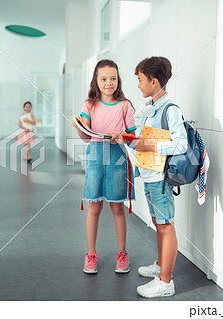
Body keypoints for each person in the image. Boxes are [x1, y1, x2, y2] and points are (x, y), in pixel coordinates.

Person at [126, 57, 187, 298]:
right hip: (150, 177)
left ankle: (166, 282)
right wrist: (126, 139)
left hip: (161, 178)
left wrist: (148, 146)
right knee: (158, 225)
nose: (139, 86)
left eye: (141, 81)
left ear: (154, 81)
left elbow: (180, 144)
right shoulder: (151, 109)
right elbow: (142, 144)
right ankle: (161, 265)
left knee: (165, 226)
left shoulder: (170, 110)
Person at [74, 59, 137, 274]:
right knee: (94, 207)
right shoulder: (88, 105)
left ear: (118, 80)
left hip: (117, 158)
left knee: (117, 207)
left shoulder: (125, 105)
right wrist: (79, 127)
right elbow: (85, 138)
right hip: (95, 158)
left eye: (113, 78)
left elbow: (132, 138)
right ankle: (90, 254)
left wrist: (120, 137)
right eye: (103, 79)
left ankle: (122, 254)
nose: (109, 83)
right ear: (96, 81)